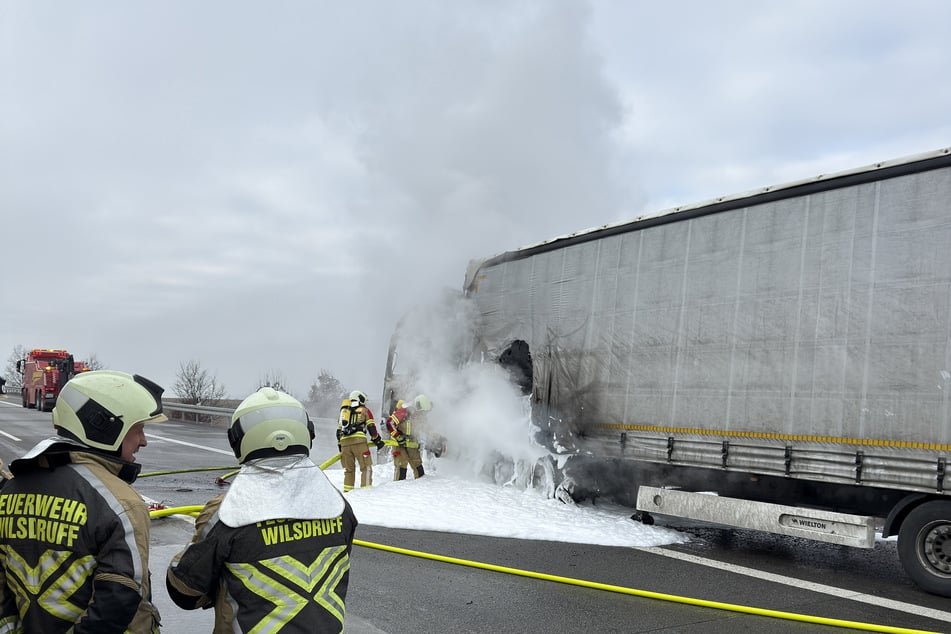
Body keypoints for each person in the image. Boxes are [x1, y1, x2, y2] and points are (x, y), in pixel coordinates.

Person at [166, 387, 357, 633]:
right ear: (307, 434)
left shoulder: (227, 514)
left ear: (238, 440)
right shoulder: (338, 507)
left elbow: (184, 591)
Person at [0, 370, 167, 633]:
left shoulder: (9, 491)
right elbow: (119, 597)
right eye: (138, 429)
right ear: (105, 427)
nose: (143, 441)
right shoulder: (120, 503)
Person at [336, 389, 384, 492]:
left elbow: (338, 431)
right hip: (359, 442)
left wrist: (340, 445)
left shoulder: (343, 412)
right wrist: (377, 440)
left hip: (344, 444)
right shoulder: (364, 410)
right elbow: (371, 427)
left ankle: (347, 491)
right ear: (360, 398)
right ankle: (366, 491)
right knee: (366, 467)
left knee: (349, 470)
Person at [385, 394, 433, 480]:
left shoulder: (420, 416)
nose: (422, 414)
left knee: (418, 465)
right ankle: (398, 489)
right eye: (422, 411)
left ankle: (421, 488)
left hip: (412, 443)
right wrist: (398, 436)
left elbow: (428, 429)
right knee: (401, 465)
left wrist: (438, 438)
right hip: (399, 443)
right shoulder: (404, 412)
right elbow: (390, 423)